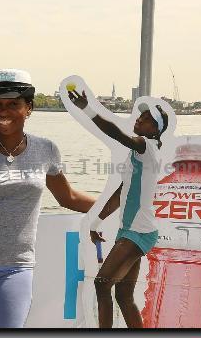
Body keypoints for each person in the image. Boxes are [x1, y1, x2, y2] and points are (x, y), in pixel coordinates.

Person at [0, 69, 95, 328]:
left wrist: (121, 206)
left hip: (17, 268)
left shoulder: (46, 150)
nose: (4, 112)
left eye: (14, 104)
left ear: (29, 108)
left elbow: (67, 197)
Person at [68, 88, 168, 328]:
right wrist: (96, 222)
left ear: (155, 130)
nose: (139, 119)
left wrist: (88, 109)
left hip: (138, 232)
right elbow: (121, 193)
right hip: (132, 231)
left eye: (146, 119)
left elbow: (117, 134)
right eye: (141, 116)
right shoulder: (139, 154)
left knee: (102, 283)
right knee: (123, 296)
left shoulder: (147, 147)